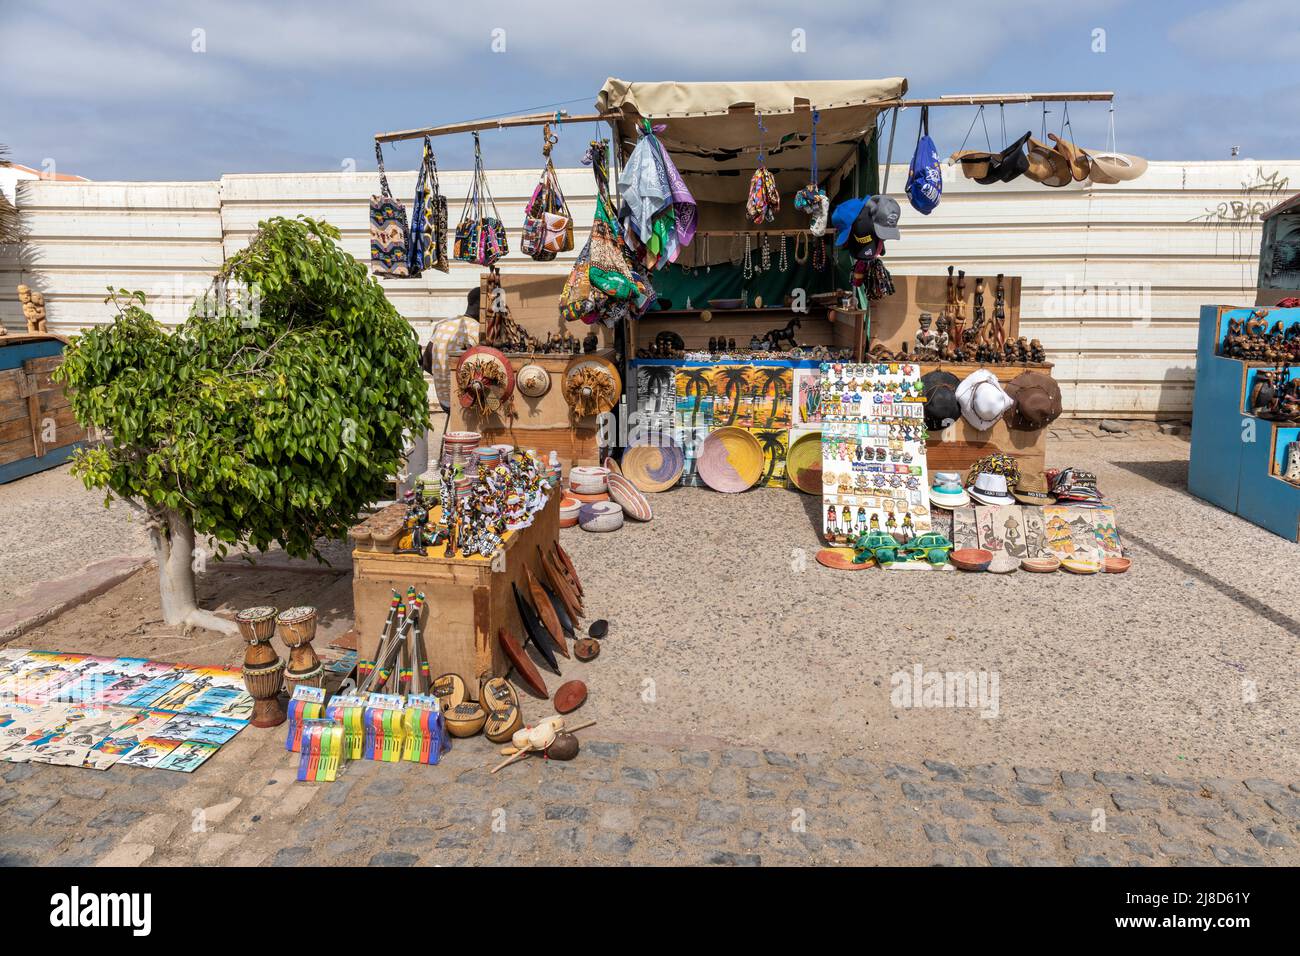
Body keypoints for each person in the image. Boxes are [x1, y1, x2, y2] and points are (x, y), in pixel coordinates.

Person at [425, 287, 481, 412]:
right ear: (479, 304)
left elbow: (426, 363)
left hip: (443, 402)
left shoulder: (442, 324)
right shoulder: (477, 330)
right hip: (464, 403)